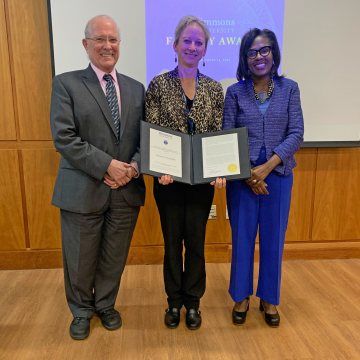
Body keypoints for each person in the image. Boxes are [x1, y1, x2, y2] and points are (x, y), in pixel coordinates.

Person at [50, 15, 145, 340]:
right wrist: (108, 165)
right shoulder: (66, 84)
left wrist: (133, 167)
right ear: (86, 44)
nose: (108, 46)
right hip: (83, 188)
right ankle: (81, 311)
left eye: (113, 39)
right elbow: (64, 137)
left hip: (125, 191)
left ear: (119, 44)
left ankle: (105, 305)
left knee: (113, 256)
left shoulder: (136, 88)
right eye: (100, 39)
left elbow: (146, 139)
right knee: (79, 258)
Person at [145, 15, 225, 330]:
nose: (192, 47)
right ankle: (173, 303)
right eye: (187, 40)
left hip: (201, 184)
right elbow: (150, 132)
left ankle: (193, 304)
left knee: (195, 242)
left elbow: (219, 134)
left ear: (205, 50)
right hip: (167, 183)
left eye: (199, 42)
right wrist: (158, 169)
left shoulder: (215, 89)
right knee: (171, 243)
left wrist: (220, 170)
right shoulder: (158, 84)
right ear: (175, 44)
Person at [223, 28, 304, 327]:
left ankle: (269, 297)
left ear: (274, 53)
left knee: (273, 240)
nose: (259, 57)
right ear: (245, 58)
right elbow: (228, 136)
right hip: (242, 179)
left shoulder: (289, 88)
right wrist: (248, 172)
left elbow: (297, 133)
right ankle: (241, 295)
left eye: (264, 50)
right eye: (252, 52)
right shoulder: (235, 92)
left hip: (278, 176)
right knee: (241, 238)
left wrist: (266, 167)